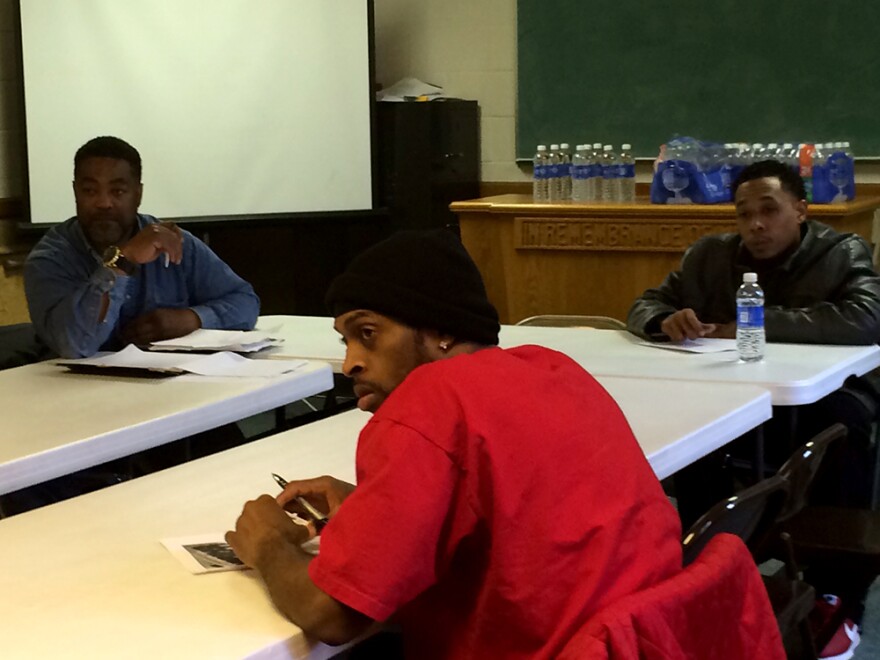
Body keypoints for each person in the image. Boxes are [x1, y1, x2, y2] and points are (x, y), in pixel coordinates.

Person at [227, 229, 682, 659]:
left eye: (367, 334)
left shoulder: (426, 402)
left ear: (440, 329)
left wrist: (268, 545)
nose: (349, 364)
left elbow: (334, 615)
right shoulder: (553, 370)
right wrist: (378, 513)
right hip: (650, 641)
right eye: (345, 341)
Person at [628, 158, 880, 512]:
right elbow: (647, 304)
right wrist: (664, 320)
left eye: (769, 210)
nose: (756, 225)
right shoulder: (710, 256)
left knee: (841, 423)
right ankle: (709, 543)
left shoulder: (840, 252)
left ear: (800, 211)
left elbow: (867, 318)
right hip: (731, 391)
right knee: (686, 420)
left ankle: (831, 552)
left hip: (820, 398)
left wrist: (751, 327)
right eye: (744, 215)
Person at [25, 135, 259, 358]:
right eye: (90, 191)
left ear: (138, 194)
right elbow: (75, 345)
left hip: (167, 384)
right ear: (75, 192)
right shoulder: (49, 260)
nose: (104, 203)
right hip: (71, 392)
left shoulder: (172, 241)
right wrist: (123, 260)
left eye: (117, 191)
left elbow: (245, 301)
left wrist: (190, 319)